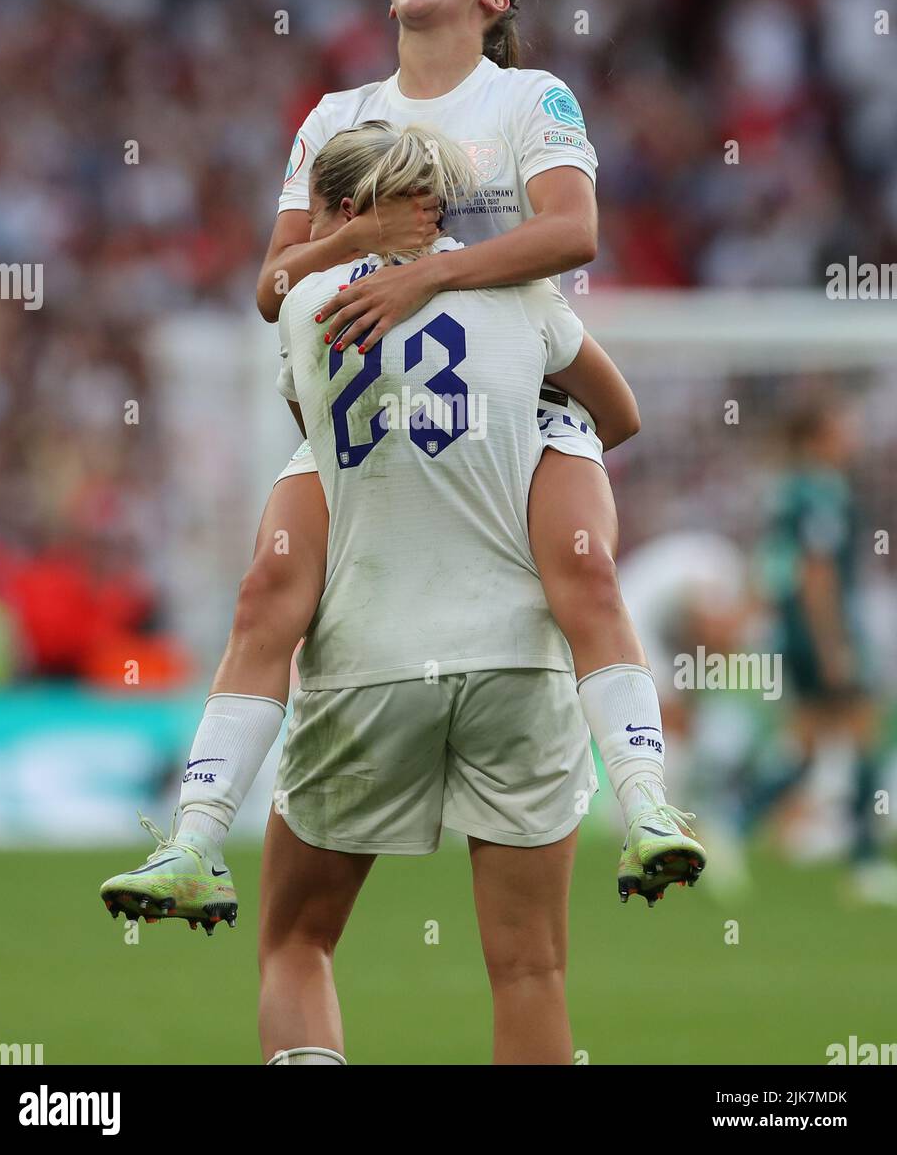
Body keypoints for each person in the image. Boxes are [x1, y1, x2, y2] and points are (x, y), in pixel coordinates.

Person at [99, 0, 705, 933]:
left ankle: (648, 804)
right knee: (267, 589)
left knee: (584, 568)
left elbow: (573, 232)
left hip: (522, 395)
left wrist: (424, 272)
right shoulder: (338, 113)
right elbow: (270, 282)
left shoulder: (529, 97)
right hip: (369, 401)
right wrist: (370, 239)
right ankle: (195, 838)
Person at [258, 121, 644, 1065]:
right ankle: (652, 794)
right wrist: (531, 444)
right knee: (528, 972)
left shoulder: (307, 303)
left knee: (296, 943)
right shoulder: (520, 293)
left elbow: (312, 423)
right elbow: (621, 417)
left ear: (344, 209)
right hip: (515, 652)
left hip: (367, 659)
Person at [745, 400, 897, 904]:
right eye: (840, 429)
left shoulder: (786, 489)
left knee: (807, 747)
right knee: (864, 733)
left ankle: (730, 828)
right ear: (816, 439)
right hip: (822, 632)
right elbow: (816, 572)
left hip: (794, 632)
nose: (848, 439)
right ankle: (865, 863)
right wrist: (834, 645)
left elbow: (774, 571)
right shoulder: (820, 490)